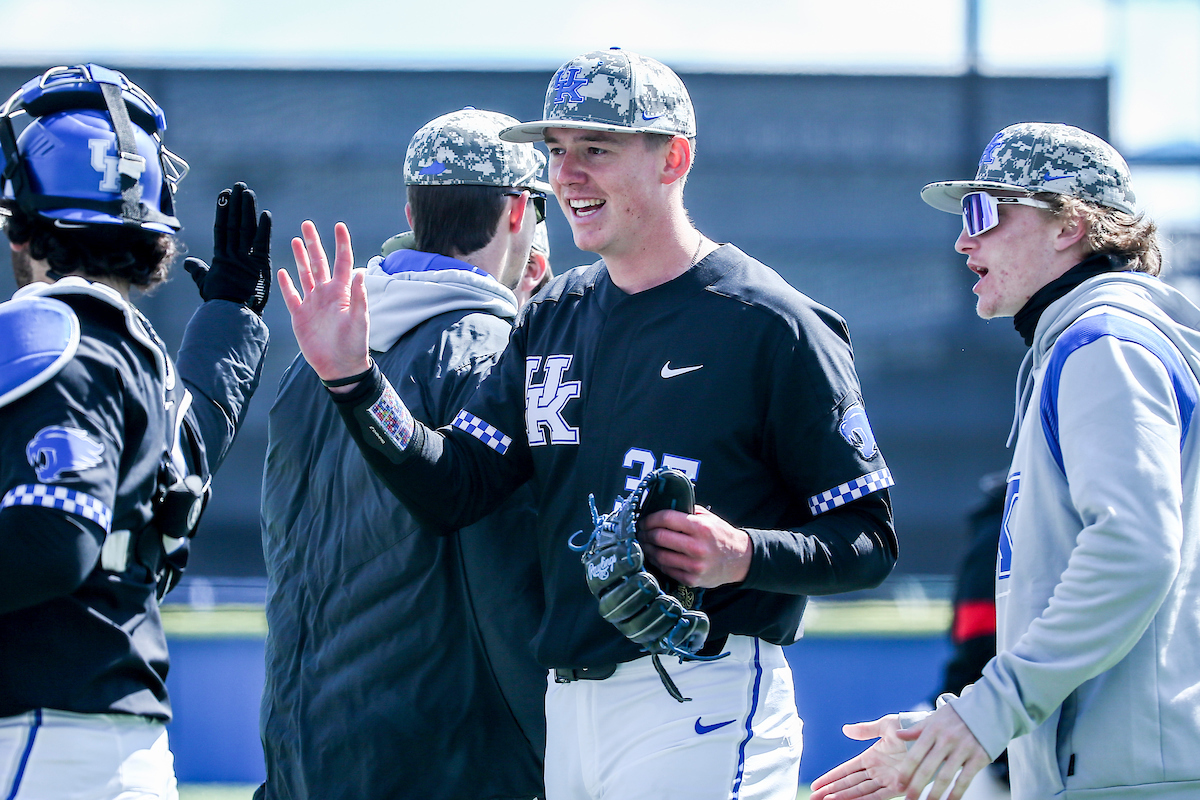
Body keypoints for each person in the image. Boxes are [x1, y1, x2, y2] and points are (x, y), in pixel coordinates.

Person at [279, 49, 897, 799]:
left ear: (673, 158)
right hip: (569, 706)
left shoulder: (773, 324)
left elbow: (867, 539)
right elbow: (457, 491)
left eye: (595, 149)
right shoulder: (554, 314)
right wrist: (355, 382)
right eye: (556, 152)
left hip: (702, 691)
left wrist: (742, 554)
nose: (566, 174)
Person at [810, 123, 1200, 800]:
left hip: (1139, 779)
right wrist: (948, 727)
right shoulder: (1091, 342)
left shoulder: (1102, 345)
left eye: (986, 212)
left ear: (1069, 226)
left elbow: (1134, 550)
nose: (965, 239)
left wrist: (983, 715)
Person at [258, 109, 550, 800]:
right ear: (518, 213)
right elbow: (513, 575)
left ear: (413, 210)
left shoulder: (317, 359)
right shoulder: (486, 350)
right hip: (447, 757)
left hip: (303, 746)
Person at [0, 64, 271, 799]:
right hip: (110, 739)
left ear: (25, 214)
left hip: (38, 731)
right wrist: (230, 321)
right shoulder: (128, 346)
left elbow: (55, 535)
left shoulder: (44, 328)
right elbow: (185, 467)